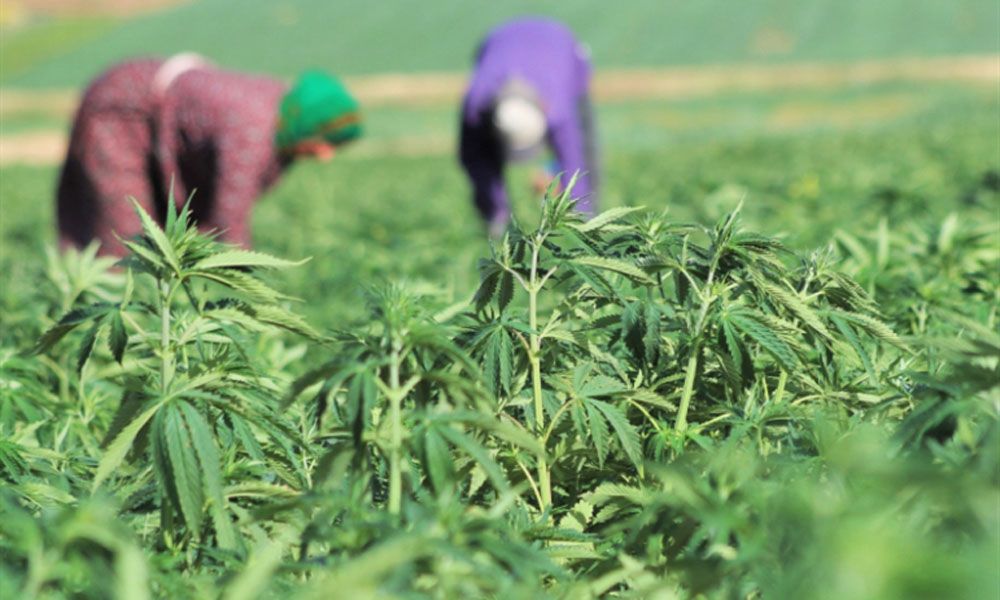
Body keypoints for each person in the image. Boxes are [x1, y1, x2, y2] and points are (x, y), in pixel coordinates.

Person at [56, 55, 361, 255]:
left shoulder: (284, 113)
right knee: (129, 236)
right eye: (325, 142)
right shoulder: (253, 130)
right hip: (121, 109)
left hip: (153, 109)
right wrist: (248, 299)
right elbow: (227, 223)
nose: (325, 155)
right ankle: (111, 317)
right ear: (307, 125)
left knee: (161, 238)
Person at [459, 17, 598, 236]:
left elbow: (574, 158)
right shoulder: (476, 105)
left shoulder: (558, 105)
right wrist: (496, 211)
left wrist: (580, 214)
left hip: (561, 46)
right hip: (498, 42)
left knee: (583, 142)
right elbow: (473, 157)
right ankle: (496, 221)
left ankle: (587, 221)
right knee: (482, 155)